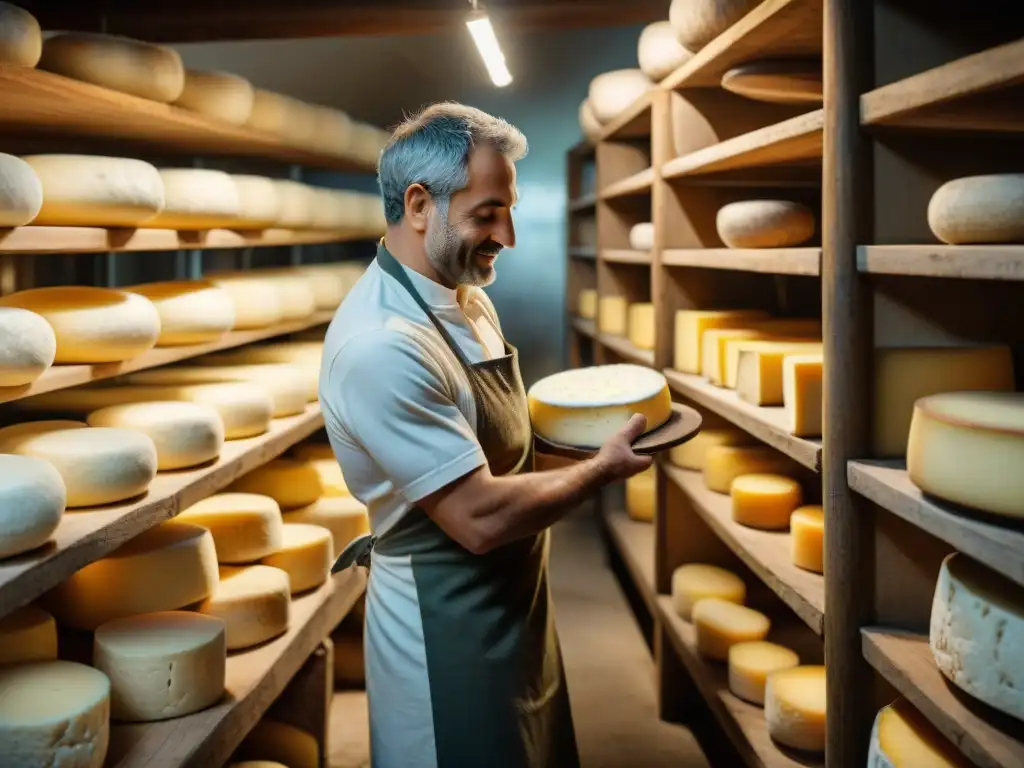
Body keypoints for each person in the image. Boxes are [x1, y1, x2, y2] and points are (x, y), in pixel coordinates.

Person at [319, 102, 653, 768]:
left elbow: (508, 445)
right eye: (486, 214)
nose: (509, 235)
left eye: (509, 209)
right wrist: (602, 470)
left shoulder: (468, 298)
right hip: (442, 630)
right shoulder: (382, 345)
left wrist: (591, 430)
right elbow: (475, 517)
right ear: (419, 206)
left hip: (515, 602)